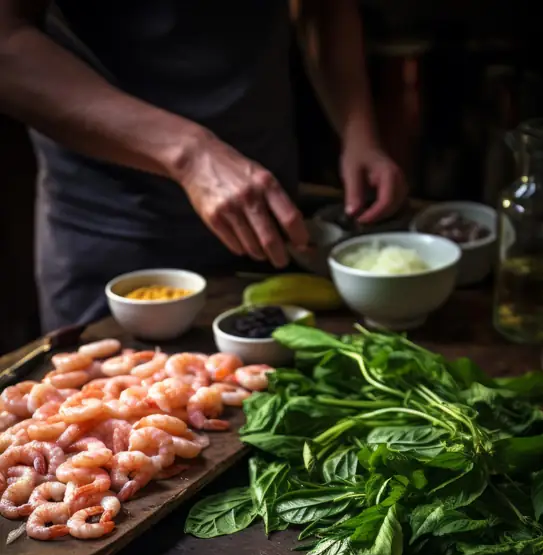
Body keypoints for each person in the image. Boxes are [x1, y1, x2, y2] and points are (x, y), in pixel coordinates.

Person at [0, 0, 406, 332]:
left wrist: (357, 131)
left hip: (270, 220)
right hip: (116, 229)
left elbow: (324, 7)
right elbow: (7, 44)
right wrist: (190, 153)